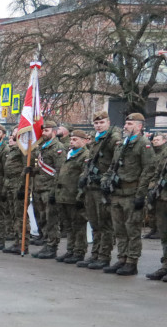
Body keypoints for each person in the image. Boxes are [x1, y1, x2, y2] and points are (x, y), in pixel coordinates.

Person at [101, 113, 155, 276]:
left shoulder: (143, 144)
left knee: (132, 230)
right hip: (117, 193)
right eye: (126, 123)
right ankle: (122, 258)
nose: (125, 126)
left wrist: (141, 194)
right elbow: (113, 166)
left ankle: (132, 262)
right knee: (119, 229)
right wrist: (106, 180)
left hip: (132, 193)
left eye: (130, 124)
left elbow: (148, 170)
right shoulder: (121, 144)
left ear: (139, 127)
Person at [80, 111, 120, 269]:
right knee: (94, 223)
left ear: (108, 123)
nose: (98, 125)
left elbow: (115, 162)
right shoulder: (96, 140)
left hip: (102, 187)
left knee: (105, 224)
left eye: (101, 122)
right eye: (96, 123)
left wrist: (105, 179)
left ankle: (104, 256)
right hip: (91, 186)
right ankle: (95, 254)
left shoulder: (112, 139)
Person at [53, 130, 91, 264]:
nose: (72, 142)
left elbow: (83, 177)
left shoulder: (85, 155)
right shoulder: (68, 154)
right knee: (68, 226)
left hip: (75, 196)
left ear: (84, 140)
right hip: (64, 195)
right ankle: (70, 250)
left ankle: (79, 251)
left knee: (78, 226)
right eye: (71, 139)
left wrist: (81, 196)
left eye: (75, 139)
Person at [31, 124, 65, 255]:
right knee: (42, 217)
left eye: (47, 130)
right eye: (43, 131)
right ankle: (45, 242)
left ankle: (52, 246)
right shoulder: (42, 147)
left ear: (55, 132)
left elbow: (59, 170)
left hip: (49, 188)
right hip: (39, 187)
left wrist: (55, 190)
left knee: (51, 219)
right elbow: (39, 167)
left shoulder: (58, 147)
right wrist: (32, 170)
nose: (44, 133)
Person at [145, 138, 167, 281]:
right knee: (165, 234)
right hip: (163, 198)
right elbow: (157, 172)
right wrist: (152, 189)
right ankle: (165, 265)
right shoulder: (164, 152)